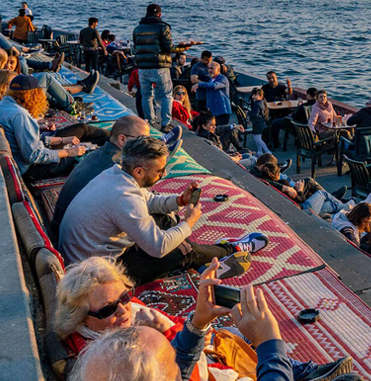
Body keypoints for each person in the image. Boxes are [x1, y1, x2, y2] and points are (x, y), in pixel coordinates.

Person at [57, 257, 359, 381]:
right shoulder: (117, 365)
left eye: (126, 297)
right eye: (110, 308)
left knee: (225, 336)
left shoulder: (105, 368)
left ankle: (299, 374)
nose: (125, 309)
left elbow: (179, 368)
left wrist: (198, 323)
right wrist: (270, 342)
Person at [59, 135, 267, 284]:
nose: (164, 174)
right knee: (180, 252)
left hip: (91, 255)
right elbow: (158, 247)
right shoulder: (124, 198)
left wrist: (179, 200)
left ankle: (202, 261)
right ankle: (232, 249)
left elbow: (149, 201)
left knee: (164, 218)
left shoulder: (116, 174)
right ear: (139, 171)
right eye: (160, 170)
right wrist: (188, 222)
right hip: (97, 275)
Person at [49, 116, 152, 240]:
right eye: (142, 140)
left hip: (61, 227)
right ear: (122, 139)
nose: (146, 145)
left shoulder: (98, 153)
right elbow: (137, 207)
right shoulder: (117, 168)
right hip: (75, 238)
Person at [0, 75, 88, 181]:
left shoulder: (0, 106)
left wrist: (61, 140)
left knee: (80, 134)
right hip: (28, 169)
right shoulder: (20, 115)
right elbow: (34, 156)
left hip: (15, 158)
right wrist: (69, 152)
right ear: (34, 94)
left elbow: (24, 140)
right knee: (83, 158)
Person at [133, 3, 200, 132]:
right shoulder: (163, 27)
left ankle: (149, 122)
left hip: (142, 67)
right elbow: (169, 48)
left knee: (146, 96)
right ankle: (165, 124)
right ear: (159, 14)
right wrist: (183, 48)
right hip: (160, 67)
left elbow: (135, 47)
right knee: (166, 95)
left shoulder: (137, 29)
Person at [254, 161, 354, 219]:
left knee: (329, 205)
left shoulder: (263, 180)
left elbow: (256, 173)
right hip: (303, 210)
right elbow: (300, 199)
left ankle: (347, 206)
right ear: (277, 174)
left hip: (297, 210)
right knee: (322, 194)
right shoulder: (283, 183)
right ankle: (345, 205)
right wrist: (300, 190)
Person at [193, 60, 232, 125]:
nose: (209, 70)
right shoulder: (211, 80)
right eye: (208, 68)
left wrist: (199, 84)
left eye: (212, 68)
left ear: (218, 69)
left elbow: (214, 85)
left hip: (222, 111)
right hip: (213, 111)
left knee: (221, 128)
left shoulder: (222, 79)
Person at [249, 87, 272, 155]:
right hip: (261, 122)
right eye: (253, 95)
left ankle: (267, 151)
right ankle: (259, 151)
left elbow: (254, 115)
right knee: (257, 137)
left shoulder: (256, 104)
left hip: (257, 123)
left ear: (261, 96)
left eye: (255, 95)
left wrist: (249, 113)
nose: (254, 96)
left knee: (257, 139)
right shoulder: (262, 102)